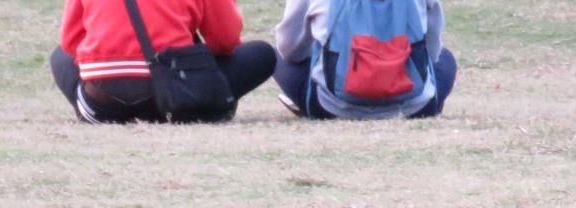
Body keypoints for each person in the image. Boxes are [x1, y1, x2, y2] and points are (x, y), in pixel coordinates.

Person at [51, 0, 276, 123]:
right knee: (262, 54)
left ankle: (91, 106)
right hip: (178, 95)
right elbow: (225, 41)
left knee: (59, 57)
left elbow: (71, 43)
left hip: (103, 99)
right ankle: (203, 107)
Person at [273, 0, 456, 120]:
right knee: (446, 59)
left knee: (273, 56)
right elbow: (431, 53)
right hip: (415, 108)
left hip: (330, 108)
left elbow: (291, 50)